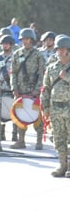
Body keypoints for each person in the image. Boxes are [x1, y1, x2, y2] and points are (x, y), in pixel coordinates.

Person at [10, 28, 45, 150]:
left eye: (27, 39)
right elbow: (13, 72)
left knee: (37, 115)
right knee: (20, 114)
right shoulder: (17, 54)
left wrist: (37, 89)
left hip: (33, 90)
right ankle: (21, 140)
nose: (24, 41)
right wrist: (14, 87)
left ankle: (39, 141)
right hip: (20, 89)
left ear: (31, 39)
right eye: (23, 39)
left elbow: (42, 74)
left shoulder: (38, 54)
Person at [41, 35, 70, 177]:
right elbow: (45, 88)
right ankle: (62, 165)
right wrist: (45, 107)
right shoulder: (52, 67)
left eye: (63, 49)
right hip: (55, 109)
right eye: (58, 49)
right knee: (58, 138)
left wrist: (66, 77)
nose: (59, 51)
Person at [0, 35, 18, 142]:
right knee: (0, 110)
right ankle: (1, 134)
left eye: (7, 43)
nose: (5, 45)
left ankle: (14, 134)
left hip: (12, 87)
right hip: (0, 87)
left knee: (14, 110)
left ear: (11, 45)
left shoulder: (16, 56)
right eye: (3, 43)